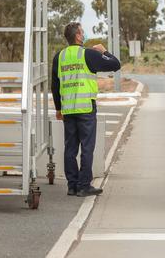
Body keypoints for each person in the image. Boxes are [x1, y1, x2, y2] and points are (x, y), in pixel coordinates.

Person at [52, 21, 120, 197]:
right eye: (82, 32)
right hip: (85, 109)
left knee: (70, 148)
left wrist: (58, 108)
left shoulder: (59, 57)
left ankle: (72, 185)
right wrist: (104, 51)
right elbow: (115, 64)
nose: (84, 35)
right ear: (78, 36)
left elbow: (55, 85)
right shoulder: (88, 54)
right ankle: (84, 186)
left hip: (68, 109)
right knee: (87, 147)